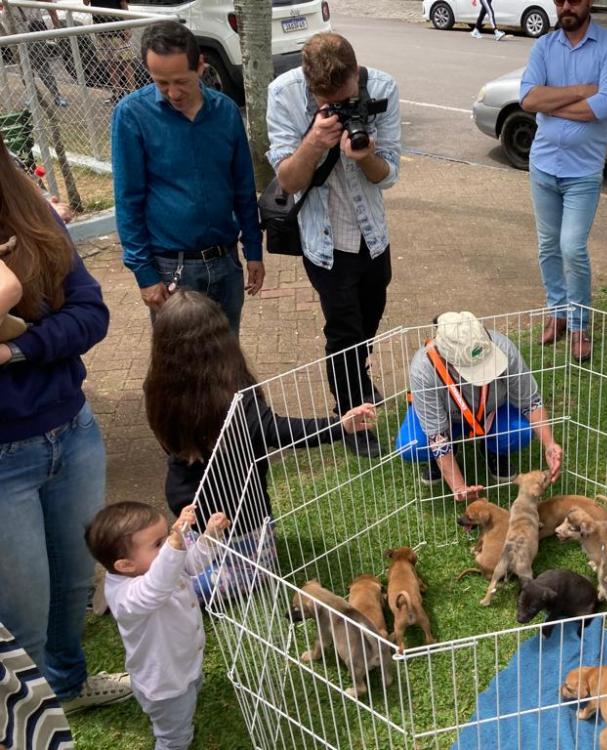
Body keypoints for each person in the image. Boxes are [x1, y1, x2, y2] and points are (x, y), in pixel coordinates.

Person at [0, 136, 132, 714]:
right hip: (3, 460)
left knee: (73, 584)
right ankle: (26, 722)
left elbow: (90, 314)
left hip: (70, 433)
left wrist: (16, 348)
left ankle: (70, 686)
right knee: (19, 615)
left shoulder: (33, 224)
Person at [143, 290, 377, 599]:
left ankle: (168, 571)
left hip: (190, 510)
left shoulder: (158, 390)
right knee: (243, 577)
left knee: (188, 559)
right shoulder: (235, 394)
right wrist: (340, 426)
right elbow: (279, 431)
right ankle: (174, 590)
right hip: (242, 518)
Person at [266, 32, 401, 456]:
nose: (343, 107)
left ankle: (357, 380)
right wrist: (314, 142)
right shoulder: (283, 95)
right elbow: (287, 182)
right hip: (323, 242)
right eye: (331, 102)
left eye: (348, 98)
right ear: (311, 88)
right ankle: (352, 418)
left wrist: (367, 157)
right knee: (343, 330)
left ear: (357, 74)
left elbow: (390, 175)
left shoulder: (382, 88)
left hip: (371, 236)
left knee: (369, 318)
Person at [112, 20, 264, 336]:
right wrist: (145, 274)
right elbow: (128, 201)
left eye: (181, 81)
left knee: (227, 361)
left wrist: (253, 251)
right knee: (181, 372)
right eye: (161, 83)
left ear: (200, 65)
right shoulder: (132, 115)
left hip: (226, 262)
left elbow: (243, 188)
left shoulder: (225, 112)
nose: (173, 93)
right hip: (171, 270)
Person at [520, 0, 607, 362]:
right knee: (548, 247)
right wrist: (583, 89)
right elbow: (529, 98)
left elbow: (605, 106)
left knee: (572, 248)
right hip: (544, 165)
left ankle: (580, 323)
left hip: (583, 172)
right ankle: (557, 314)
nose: (567, 6)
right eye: (560, 0)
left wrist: (552, 102)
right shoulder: (544, 46)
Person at [85, 502, 229, 750]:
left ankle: (185, 706)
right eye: (157, 544)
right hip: (163, 683)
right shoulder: (126, 595)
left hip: (182, 663)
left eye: (164, 539)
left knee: (192, 686)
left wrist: (208, 538)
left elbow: (189, 564)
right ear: (125, 565)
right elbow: (155, 589)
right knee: (174, 736)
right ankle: (175, 740)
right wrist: (173, 546)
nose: (167, 546)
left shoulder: (158, 566)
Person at [395, 311, 563, 502]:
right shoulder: (423, 368)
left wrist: (550, 444)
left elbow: (531, 401)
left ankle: (494, 450)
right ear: (447, 359)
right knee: (411, 445)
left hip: (492, 411)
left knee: (521, 432)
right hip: (448, 418)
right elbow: (436, 435)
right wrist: (459, 486)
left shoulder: (503, 347)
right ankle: (442, 458)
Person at [2, 0, 69, 107]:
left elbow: (50, 4)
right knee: (23, 65)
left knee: (41, 63)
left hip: (32, 24)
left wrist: (57, 26)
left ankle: (56, 95)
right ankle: (32, 95)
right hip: (13, 26)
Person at [84, 0, 137, 103]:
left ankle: (133, 94)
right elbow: (86, 3)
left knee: (125, 63)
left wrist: (128, 27)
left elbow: (124, 4)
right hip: (100, 29)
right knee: (110, 63)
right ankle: (117, 93)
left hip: (117, 28)